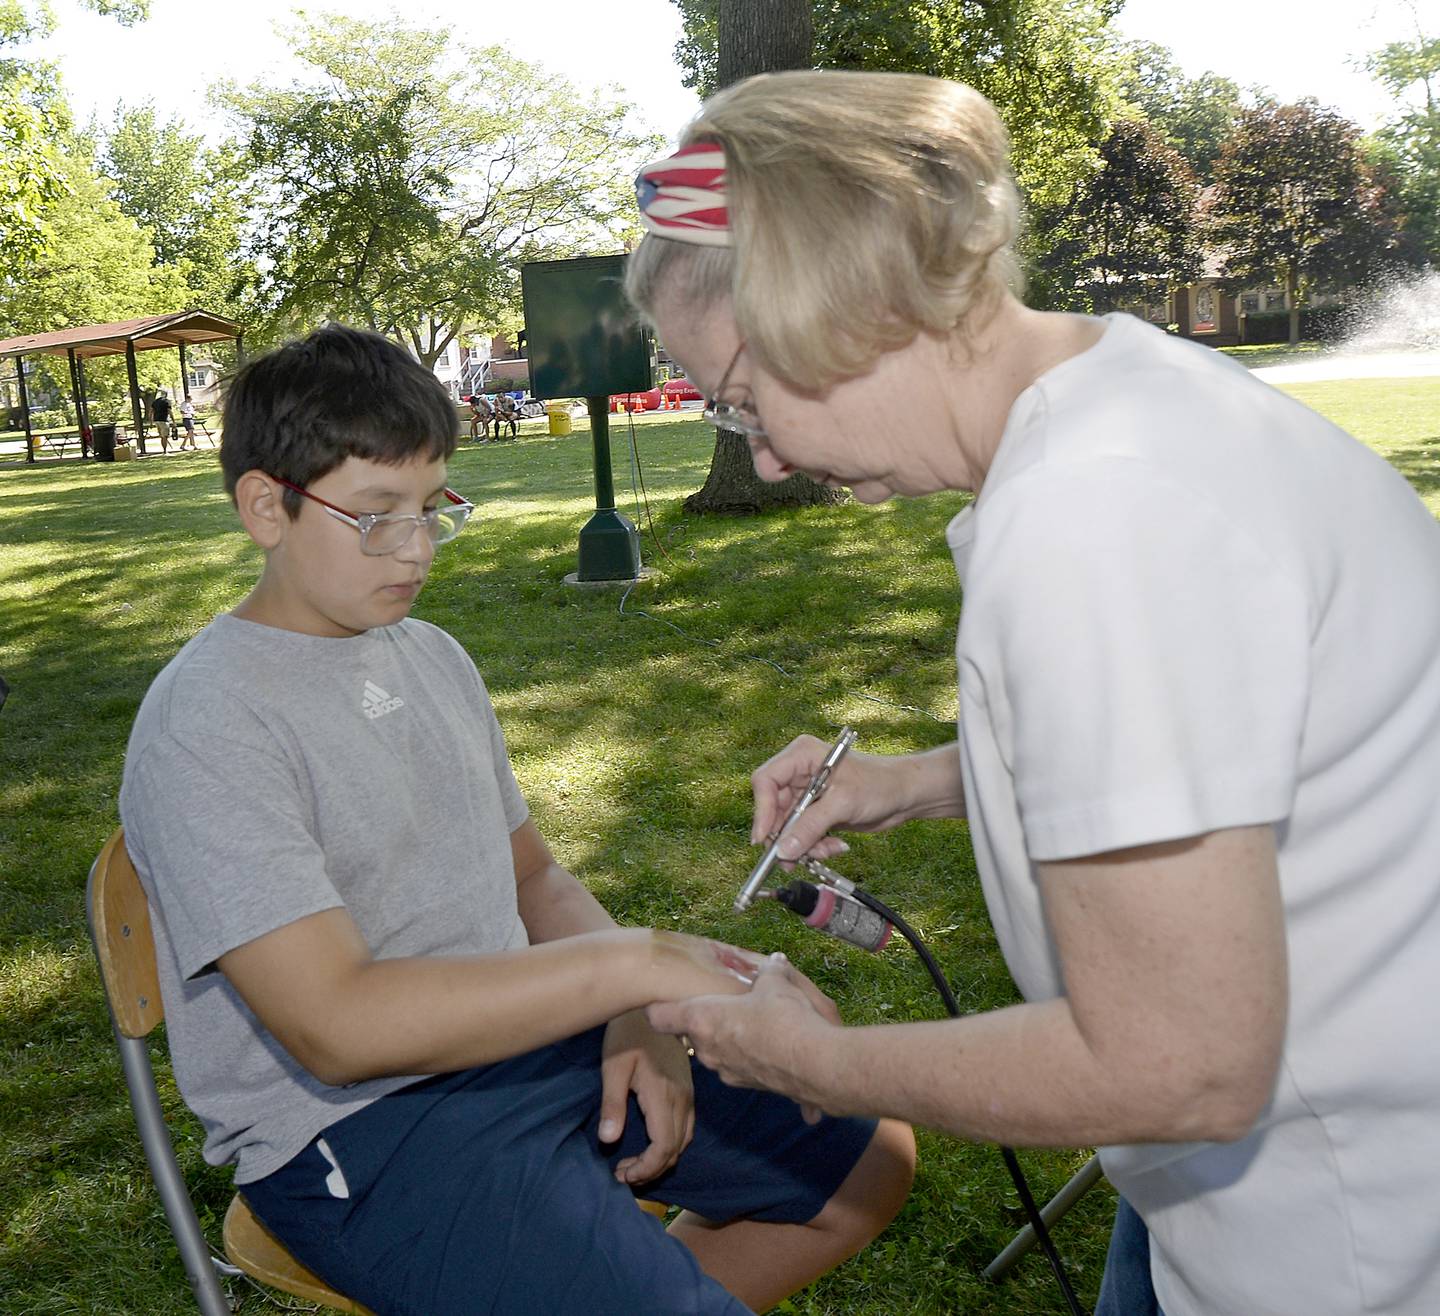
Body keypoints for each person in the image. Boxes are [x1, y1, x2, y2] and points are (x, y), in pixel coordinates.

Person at [625, 71, 1440, 1316]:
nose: (769, 455)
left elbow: (1181, 1065)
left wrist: (821, 1062)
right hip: (1247, 1192)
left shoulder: (1091, 520)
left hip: (1342, 1234)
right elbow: (1239, 738)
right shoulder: (1126, 398)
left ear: (834, 306)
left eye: (742, 401)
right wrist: (924, 781)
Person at [117, 325, 913, 1316]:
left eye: (430, 506)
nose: (415, 549)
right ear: (265, 507)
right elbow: (336, 1025)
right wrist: (639, 966)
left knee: (865, 1156)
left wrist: (636, 1013)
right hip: (365, 1129)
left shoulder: (431, 656)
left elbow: (534, 881)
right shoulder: (208, 723)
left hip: (526, 1040)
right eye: (375, 515)